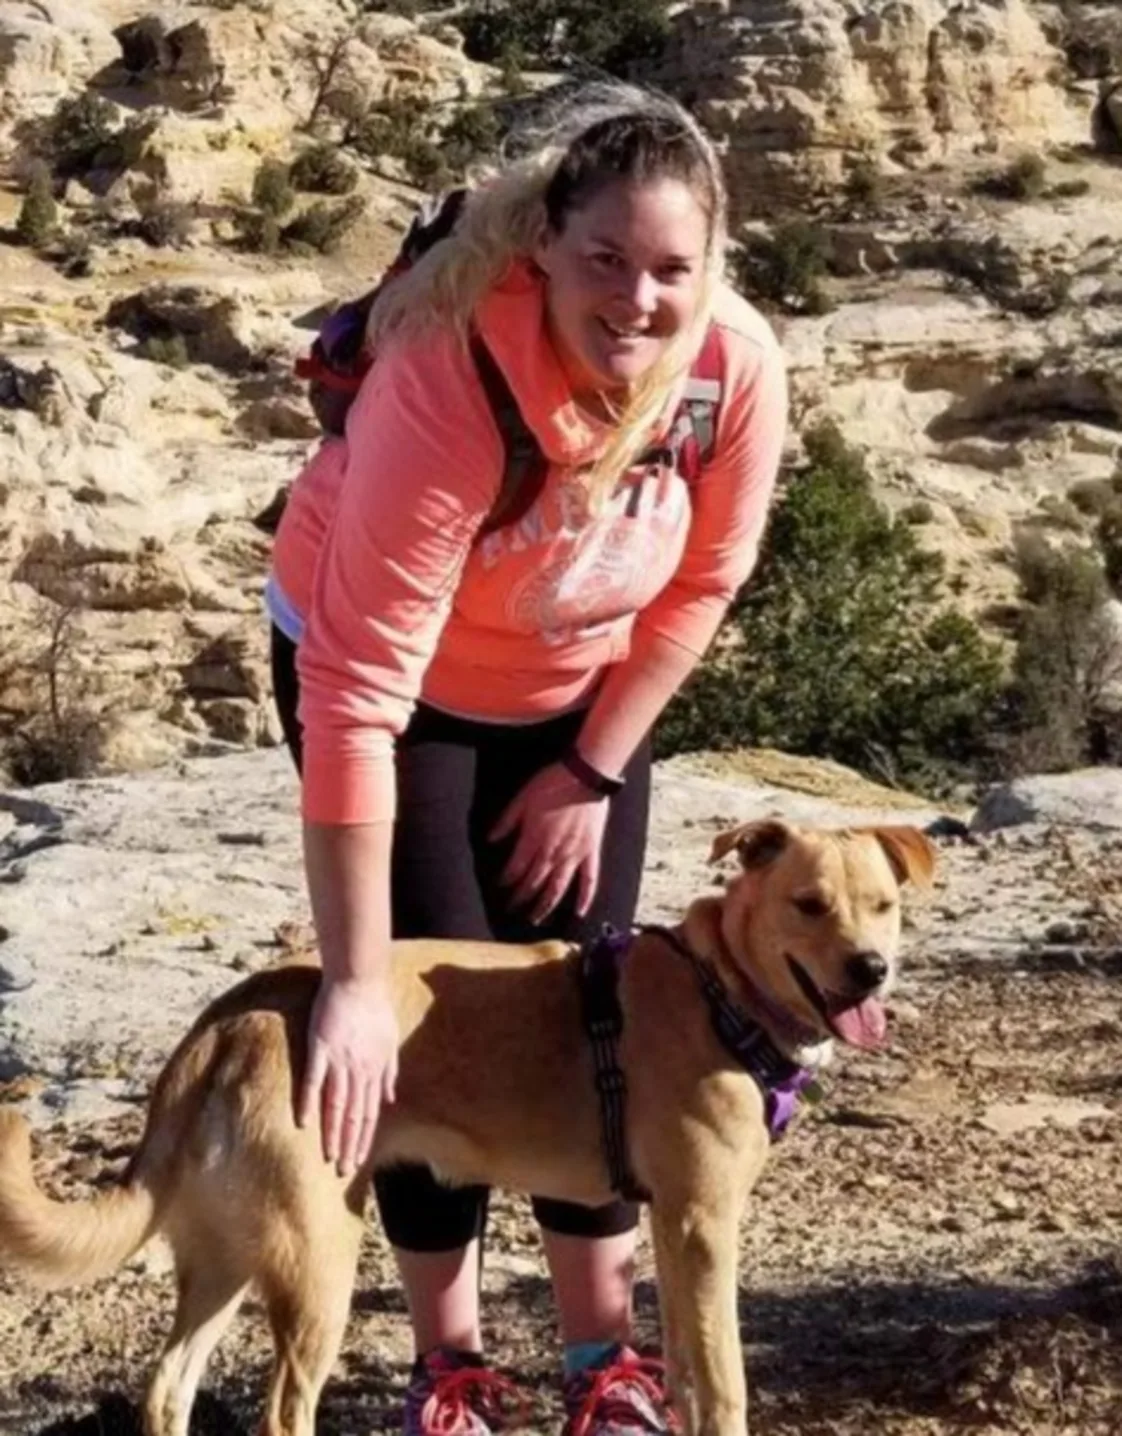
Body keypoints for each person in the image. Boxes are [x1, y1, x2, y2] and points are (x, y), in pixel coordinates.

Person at [265, 80, 787, 1436]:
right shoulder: (451, 373)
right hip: (404, 693)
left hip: (579, 694)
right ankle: (450, 1366)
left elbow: (703, 583)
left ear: (712, 265)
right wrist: (355, 983)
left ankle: (600, 1361)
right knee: (422, 1031)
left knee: (596, 1009)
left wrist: (590, 772)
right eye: (604, 258)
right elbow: (357, 691)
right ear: (544, 243)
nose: (636, 299)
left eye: (670, 268)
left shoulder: (731, 370)